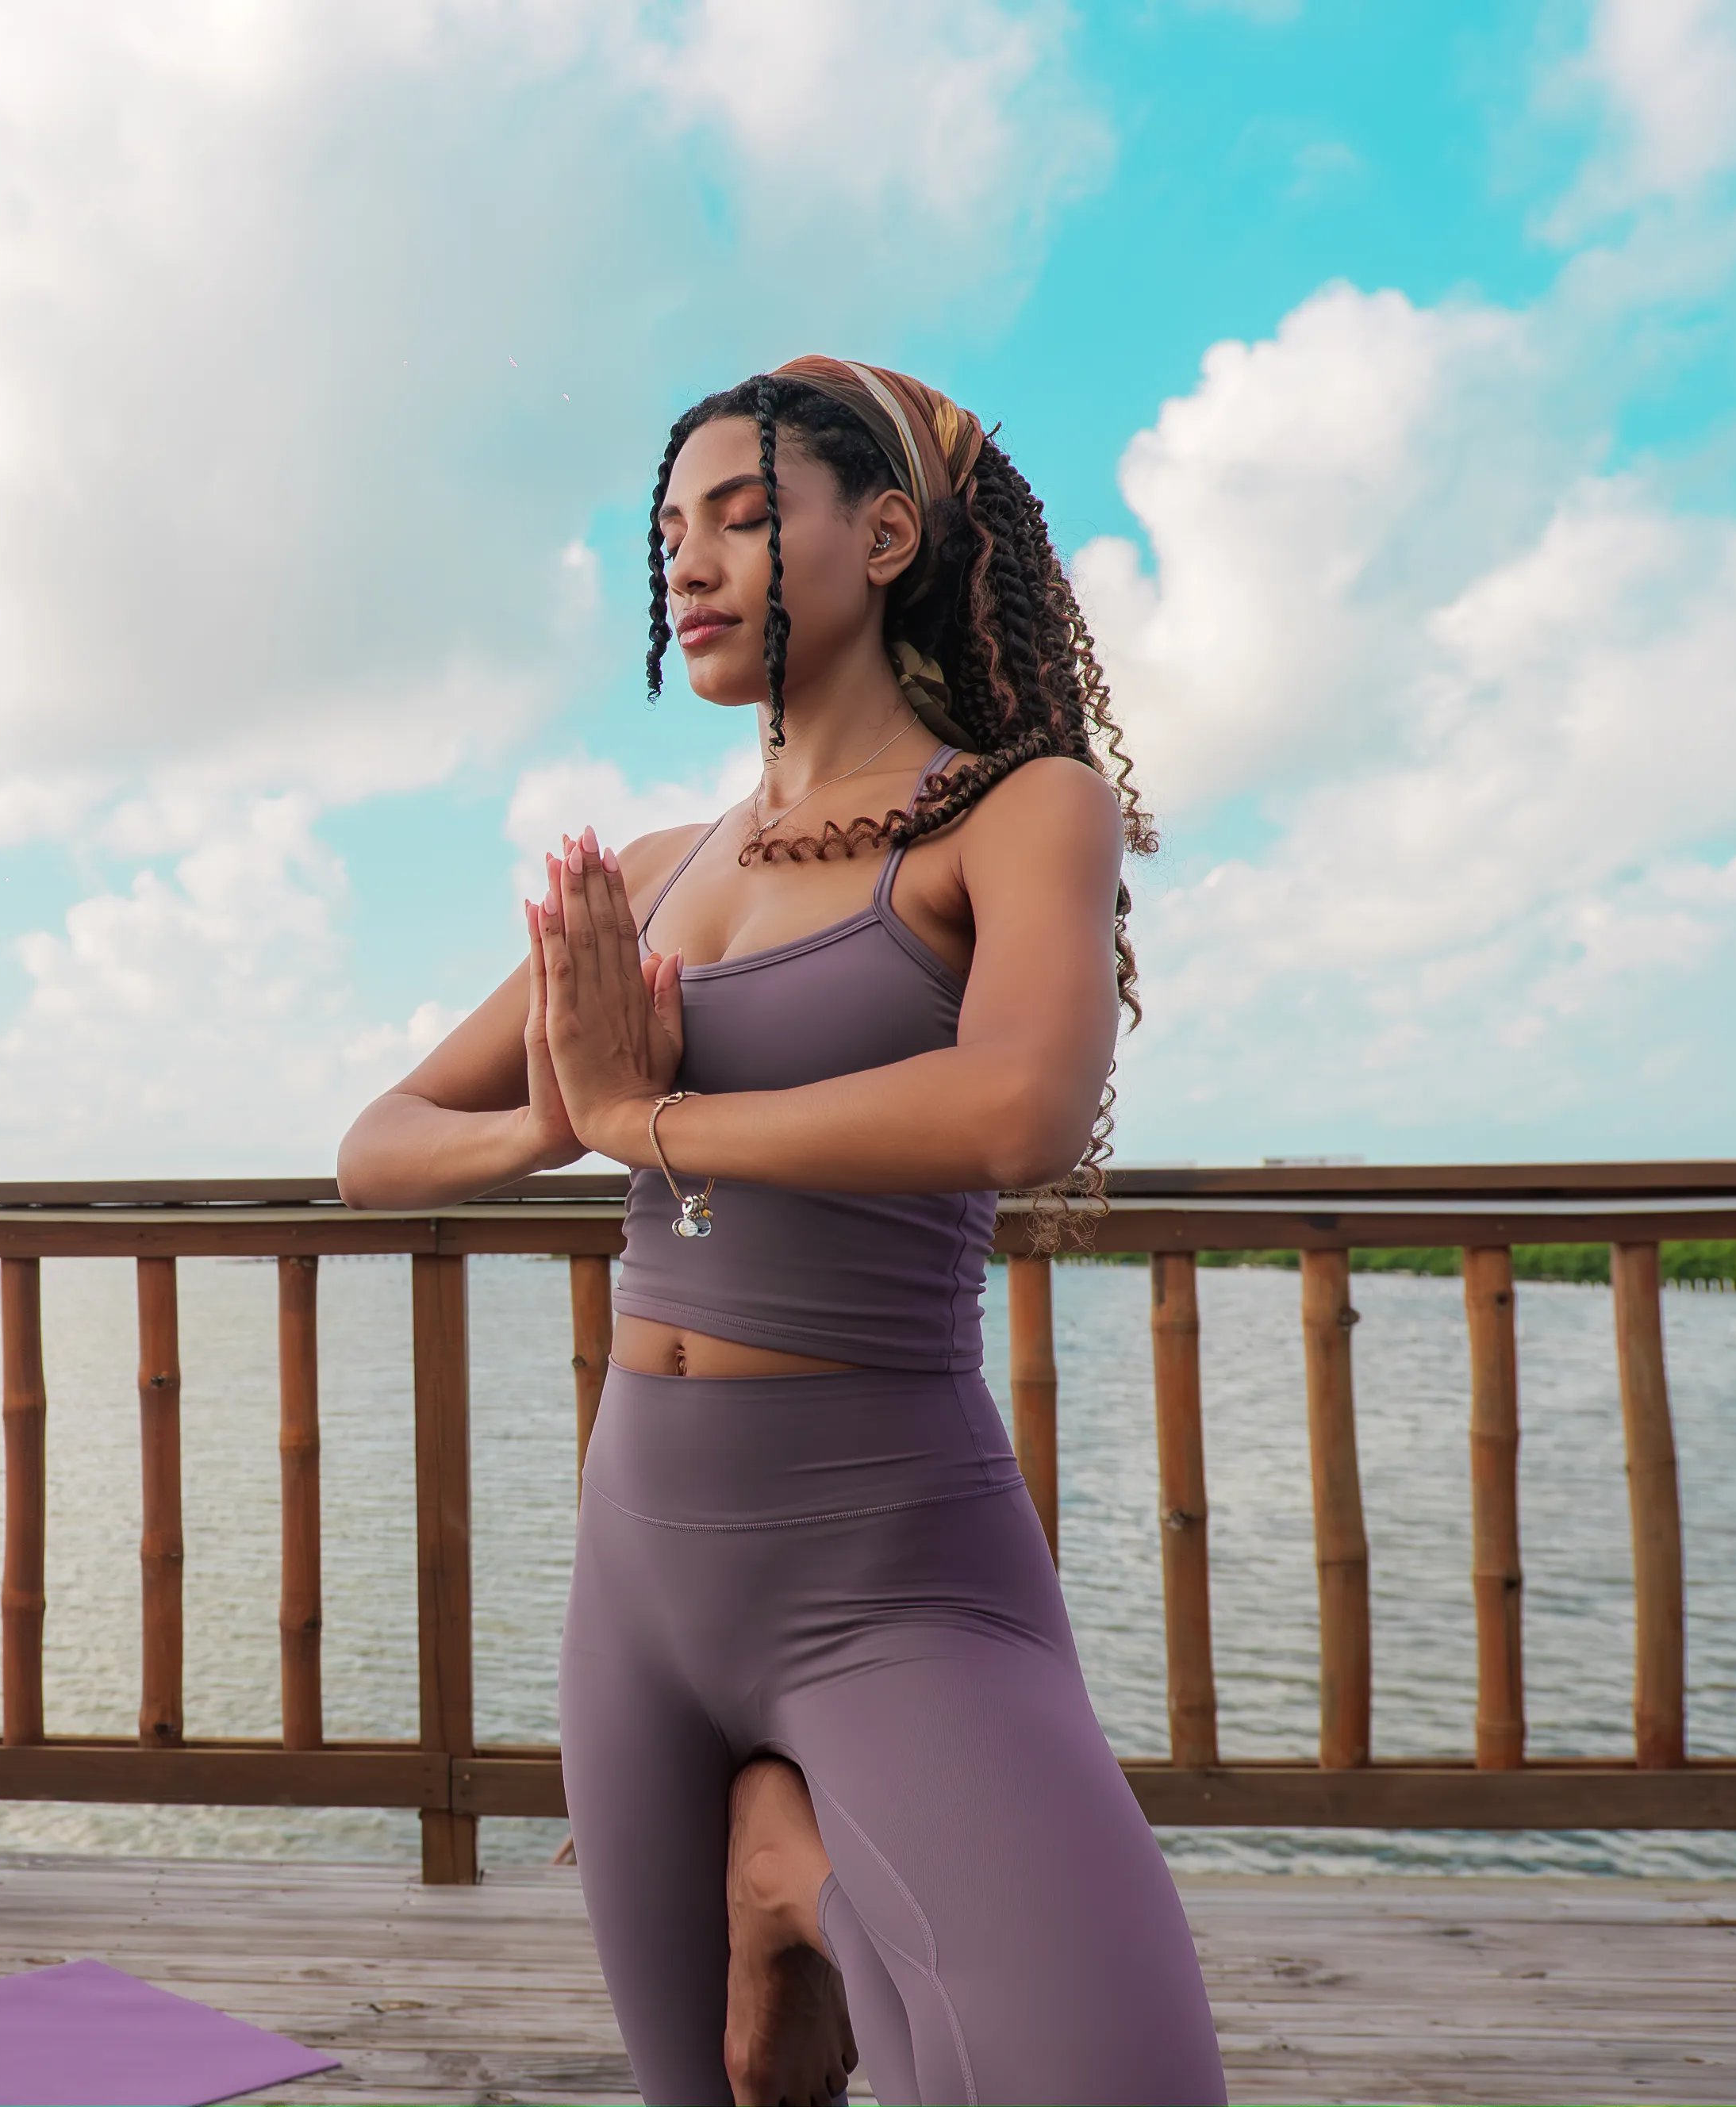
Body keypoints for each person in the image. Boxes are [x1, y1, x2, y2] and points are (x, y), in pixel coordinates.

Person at [338, 359, 1223, 2105]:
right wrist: (557, 1111)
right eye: (670, 534)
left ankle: (795, 1873)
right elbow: (377, 1144)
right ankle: (782, 1887)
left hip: (890, 1556)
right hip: (643, 1558)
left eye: (744, 516)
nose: (692, 562)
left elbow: (1019, 1106)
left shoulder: (1021, 808)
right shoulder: (661, 865)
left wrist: (651, 1122)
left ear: (886, 535)